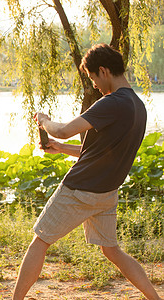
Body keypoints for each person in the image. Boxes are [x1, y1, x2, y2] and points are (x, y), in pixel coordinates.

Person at [12, 44, 162, 300]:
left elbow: (62, 129)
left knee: (40, 240)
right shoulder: (138, 106)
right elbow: (99, 151)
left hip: (80, 188)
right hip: (106, 192)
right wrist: (60, 148)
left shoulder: (111, 102)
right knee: (112, 250)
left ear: (103, 71)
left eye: (93, 78)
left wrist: (44, 121)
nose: (94, 85)